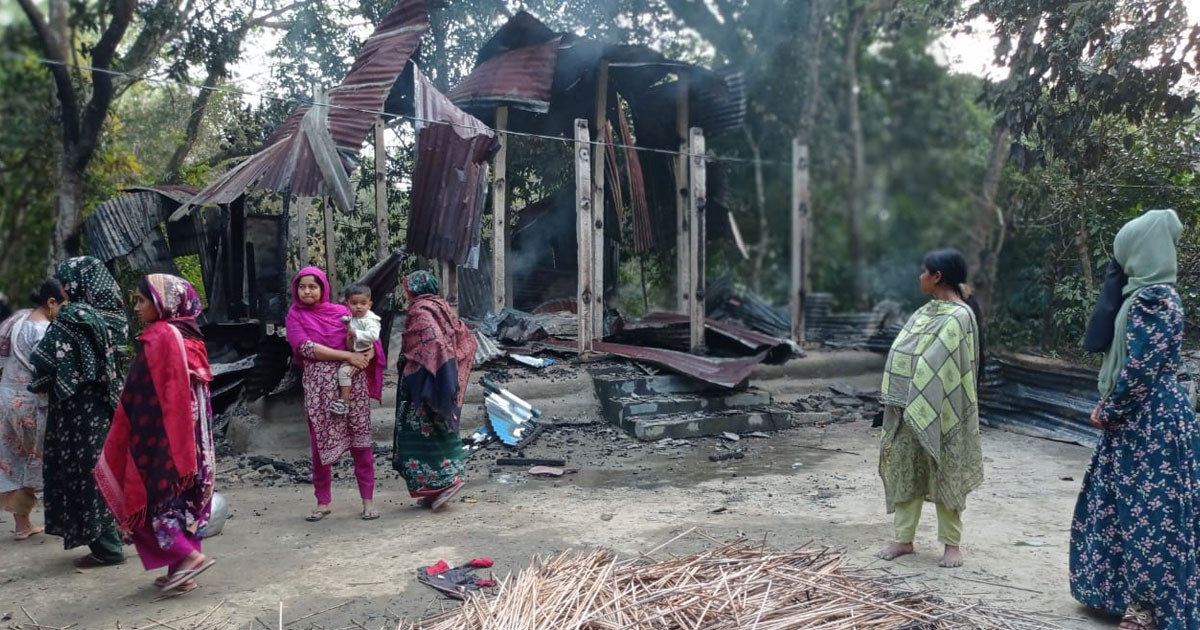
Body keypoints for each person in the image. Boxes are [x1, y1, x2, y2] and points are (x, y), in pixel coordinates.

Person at [1069, 209, 1200, 630]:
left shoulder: (1153, 299)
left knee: (1150, 512)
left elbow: (1140, 368)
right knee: (1121, 506)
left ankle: (1146, 608)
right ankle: (1121, 596)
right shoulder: (1143, 296)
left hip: (1150, 422)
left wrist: (1109, 410)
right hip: (1140, 421)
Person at [95, 274, 217, 593]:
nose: (136, 307)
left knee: (152, 500)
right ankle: (183, 573)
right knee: (185, 502)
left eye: (141, 300)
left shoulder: (160, 336)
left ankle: (189, 557)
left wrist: (131, 435)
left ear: (164, 303)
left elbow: (145, 393)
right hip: (196, 443)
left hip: (165, 439)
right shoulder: (191, 335)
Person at [876, 249, 984, 569]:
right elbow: (905, 353)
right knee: (906, 467)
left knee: (945, 469)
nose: (919, 276)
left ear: (937, 276)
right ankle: (903, 539)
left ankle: (952, 545)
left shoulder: (960, 316)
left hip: (947, 408)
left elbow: (939, 361)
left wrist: (920, 389)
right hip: (908, 407)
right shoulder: (924, 312)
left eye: (924, 271)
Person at [29, 256, 130, 567]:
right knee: (108, 468)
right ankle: (117, 533)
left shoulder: (73, 316)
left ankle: (108, 547)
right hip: (107, 408)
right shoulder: (116, 317)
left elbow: (43, 359)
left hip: (78, 414)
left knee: (87, 473)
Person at [285, 267, 384, 522]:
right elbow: (306, 347)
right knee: (320, 444)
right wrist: (348, 356)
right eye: (302, 286)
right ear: (296, 289)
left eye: (313, 286)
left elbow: (369, 339)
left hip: (353, 385)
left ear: (323, 289)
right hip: (319, 390)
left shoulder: (342, 313)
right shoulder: (295, 316)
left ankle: (368, 500)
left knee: (361, 442)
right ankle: (323, 502)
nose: (307, 291)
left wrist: (365, 355)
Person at [391, 270, 476, 511]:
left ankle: (447, 482)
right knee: (441, 429)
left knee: (421, 436)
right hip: (440, 382)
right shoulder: (441, 306)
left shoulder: (420, 310)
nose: (406, 292)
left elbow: (434, 342)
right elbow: (466, 338)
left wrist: (424, 364)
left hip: (423, 385)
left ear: (414, 288)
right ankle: (433, 489)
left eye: (407, 286)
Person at [0, 279, 66, 540]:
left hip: (8, 396)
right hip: (31, 402)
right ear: (51, 303)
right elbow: (50, 371)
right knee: (38, 459)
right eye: (64, 304)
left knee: (16, 459)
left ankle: (22, 524)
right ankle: (63, 518)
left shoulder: (17, 319)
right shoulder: (44, 330)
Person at [329, 284, 382, 417]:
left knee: (344, 372)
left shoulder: (370, 319)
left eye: (363, 303)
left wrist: (356, 333)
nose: (359, 306)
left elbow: (374, 336)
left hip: (364, 353)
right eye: (354, 303)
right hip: (354, 351)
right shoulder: (353, 317)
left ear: (369, 304)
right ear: (347, 304)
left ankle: (344, 401)